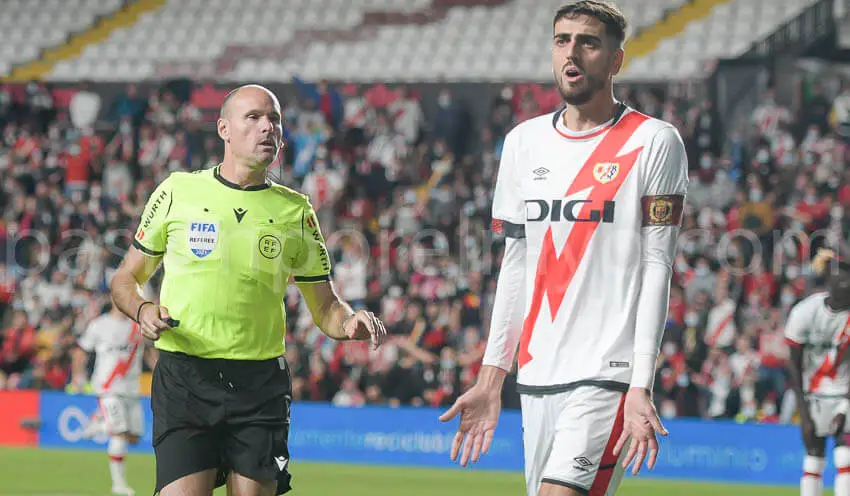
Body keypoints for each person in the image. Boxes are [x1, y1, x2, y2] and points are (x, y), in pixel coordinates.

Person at [439, 2, 688, 495]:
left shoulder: (655, 142)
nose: (571, 52)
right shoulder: (522, 143)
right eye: (562, 40)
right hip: (537, 372)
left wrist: (642, 382)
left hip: (606, 372)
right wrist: (492, 379)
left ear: (616, 60)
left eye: (588, 42)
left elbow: (658, 264)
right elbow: (515, 267)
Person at [109, 84, 388, 496]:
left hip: (259, 384)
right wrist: (144, 309)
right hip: (185, 377)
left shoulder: (295, 210)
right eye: (254, 117)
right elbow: (124, 279)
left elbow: (325, 303)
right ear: (224, 128)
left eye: (274, 119)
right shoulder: (177, 192)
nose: (267, 128)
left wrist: (349, 322)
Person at [71, 302, 159, 496]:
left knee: (134, 438)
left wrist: (159, 371)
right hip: (107, 387)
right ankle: (118, 485)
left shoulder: (138, 325)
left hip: (131, 389)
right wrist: (77, 377)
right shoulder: (99, 324)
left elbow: (149, 351)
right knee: (119, 434)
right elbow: (80, 351)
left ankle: (100, 424)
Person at [785, 249, 850, 496]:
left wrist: (845, 406)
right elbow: (794, 364)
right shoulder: (804, 313)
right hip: (813, 393)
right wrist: (804, 413)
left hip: (844, 390)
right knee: (813, 457)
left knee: (846, 454)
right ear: (832, 288)